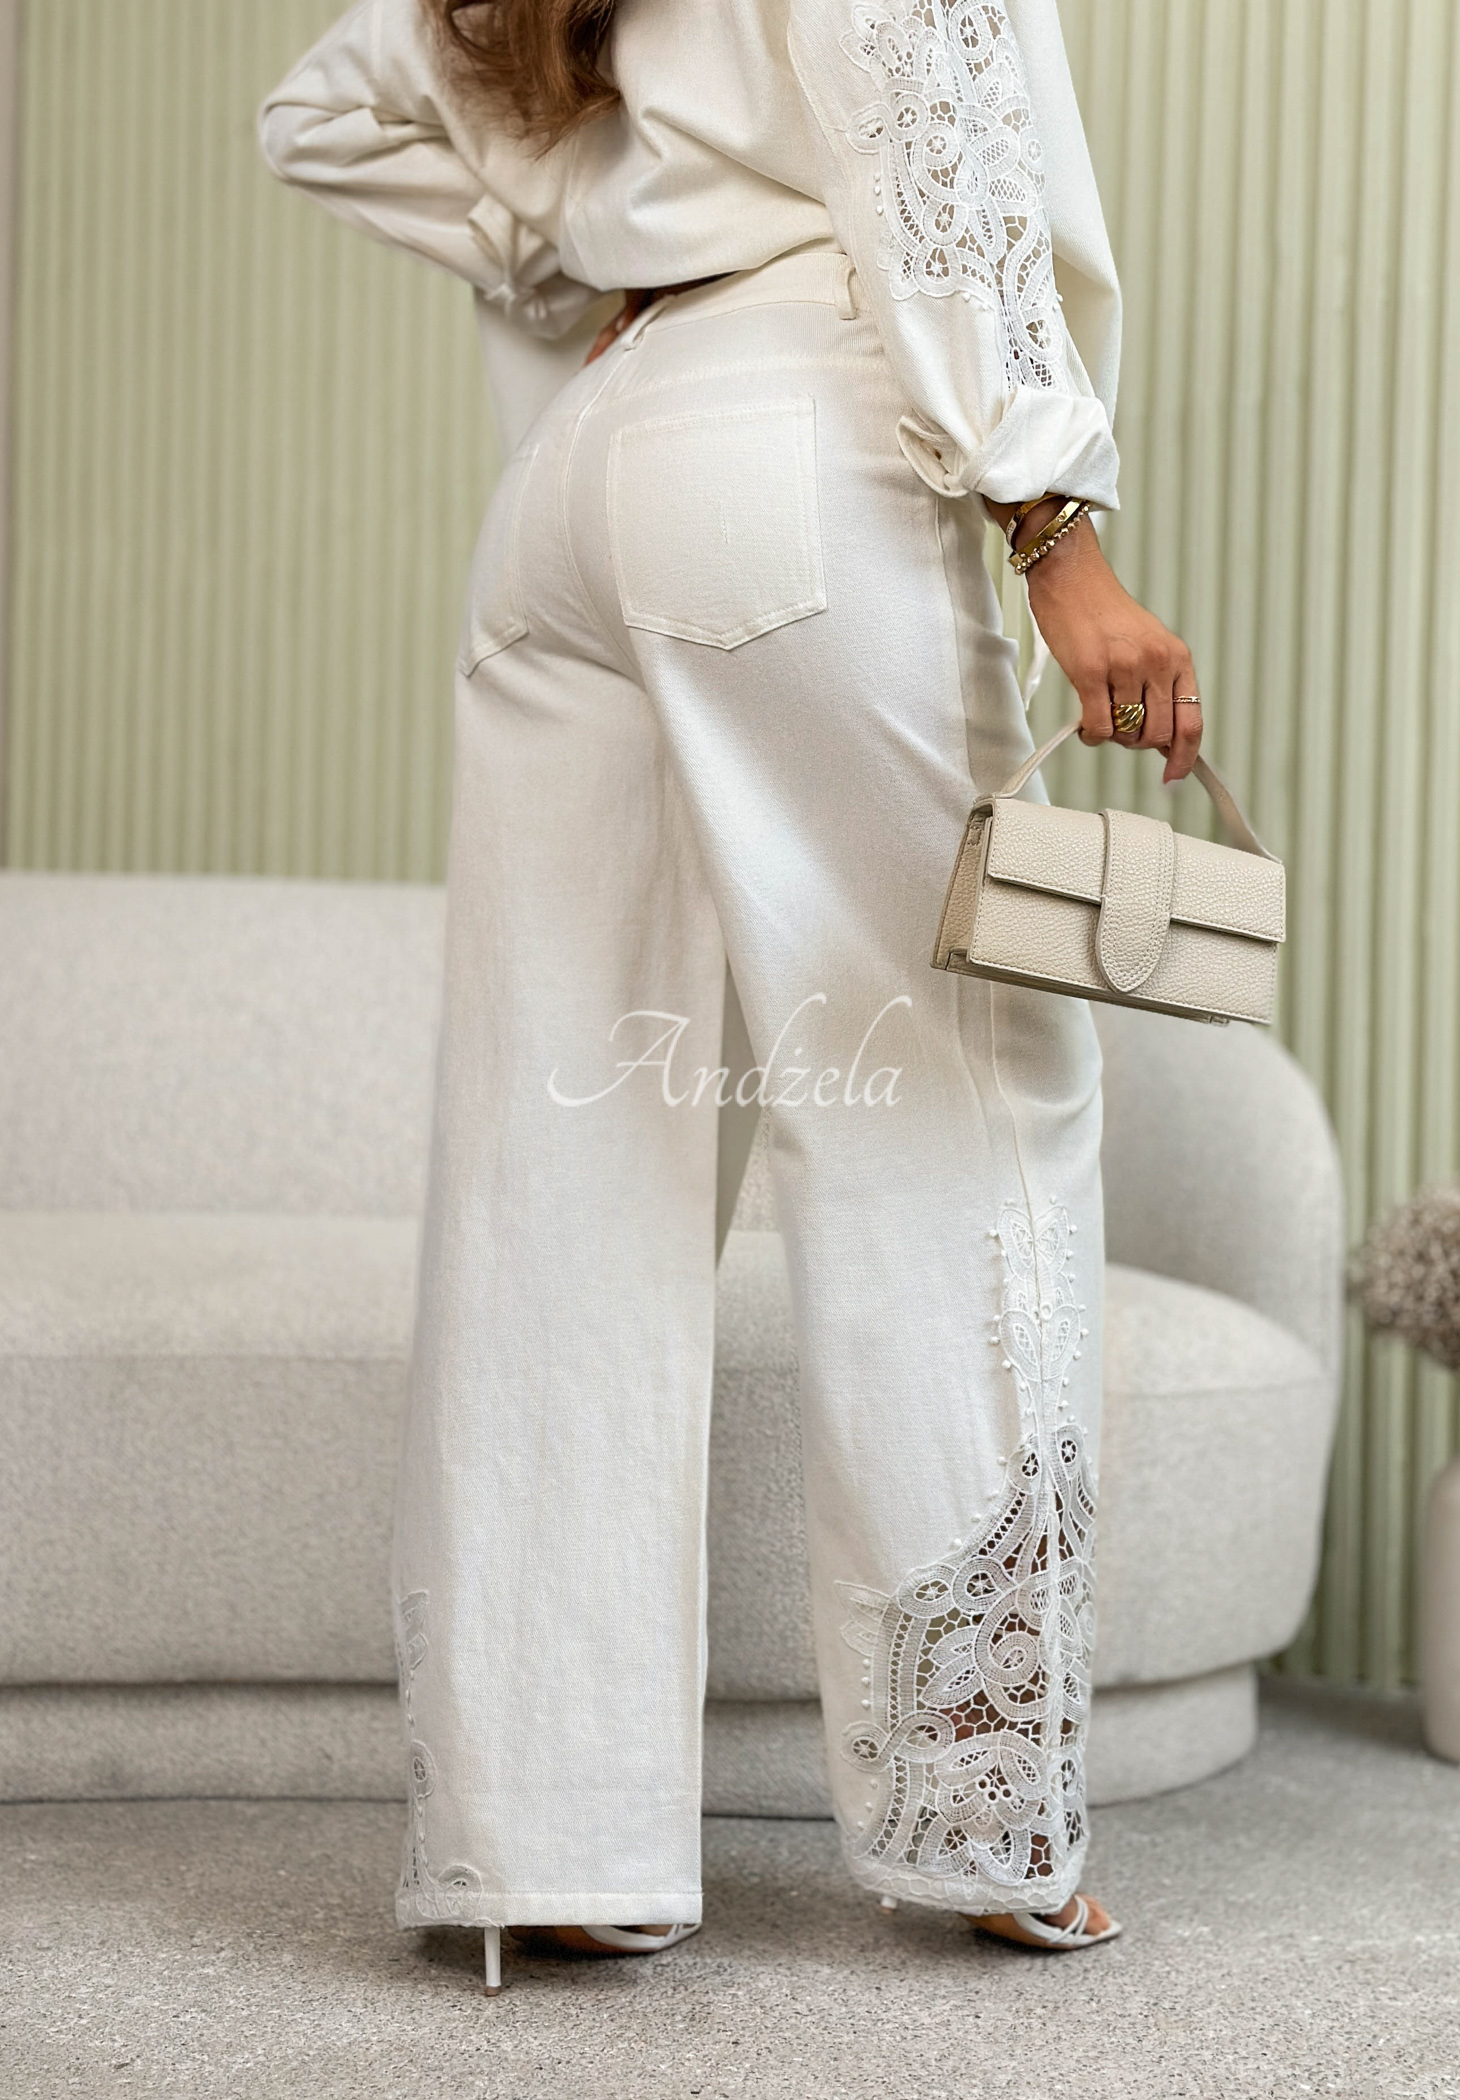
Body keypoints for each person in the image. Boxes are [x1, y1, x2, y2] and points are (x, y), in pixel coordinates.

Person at [260, 0, 1203, 1987]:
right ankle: (986, 1817)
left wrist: (582, 250)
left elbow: (324, 106)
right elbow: (925, 123)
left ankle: (542, 1836)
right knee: (961, 1104)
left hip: (584, 479)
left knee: (562, 1155)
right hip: (796, 445)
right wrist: (1055, 525)